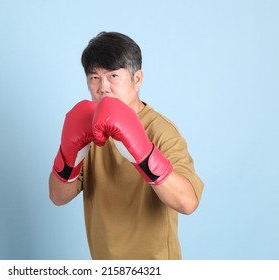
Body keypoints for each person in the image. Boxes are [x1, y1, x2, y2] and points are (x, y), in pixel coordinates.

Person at [49, 31, 204, 260]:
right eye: (94, 78)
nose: (103, 87)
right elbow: (57, 197)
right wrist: (69, 154)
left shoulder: (160, 131)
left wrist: (143, 153)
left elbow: (188, 202)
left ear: (137, 79)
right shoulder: (87, 129)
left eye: (113, 76)